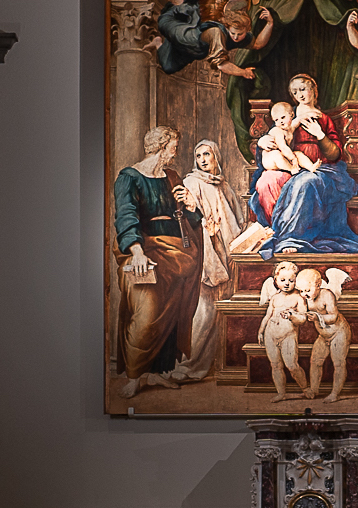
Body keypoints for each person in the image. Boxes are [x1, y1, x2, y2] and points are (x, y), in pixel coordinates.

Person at [111, 126, 196, 397]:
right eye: (173, 145)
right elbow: (126, 215)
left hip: (176, 254)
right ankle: (135, 375)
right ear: (161, 146)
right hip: (145, 251)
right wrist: (136, 251)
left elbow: (186, 218)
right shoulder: (129, 177)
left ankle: (157, 373)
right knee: (146, 315)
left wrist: (190, 206)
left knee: (171, 314)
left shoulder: (172, 176)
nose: (176, 151)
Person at [257, 74, 358, 254]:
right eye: (295, 91)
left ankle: (291, 237)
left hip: (320, 168)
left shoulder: (323, 119)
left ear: (314, 91)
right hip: (291, 163)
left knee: (306, 182)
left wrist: (320, 135)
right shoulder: (286, 115)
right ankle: (275, 232)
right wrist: (262, 141)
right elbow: (276, 136)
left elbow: (335, 154)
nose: (299, 94)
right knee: (266, 182)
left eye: (303, 89)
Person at [168, 139, 246, 382]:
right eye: (198, 155)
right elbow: (187, 221)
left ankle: (209, 366)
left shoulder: (224, 186)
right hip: (207, 255)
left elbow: (238, 220)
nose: (202, 159)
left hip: (228, 253)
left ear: (216, 157)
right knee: (205, 312)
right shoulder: (192, 183)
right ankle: (188, 367)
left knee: (222, 312)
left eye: (207, 154)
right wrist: (205, 224)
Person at [259, 260, 312, 401]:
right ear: (276, 280)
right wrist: (261, 331)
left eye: (291, 280)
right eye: (283, 280)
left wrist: (292, 315)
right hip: (270, 335)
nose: (287, 283)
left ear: (296, 281)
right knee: (275, 365)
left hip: (288, 336)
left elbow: (303, 318)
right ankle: (281, 393)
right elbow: (267, 316)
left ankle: (305, 388)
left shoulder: (299, 298)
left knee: (292, 365)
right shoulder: (274, 298)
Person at [306, 266, 352, 401]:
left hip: (339, 332)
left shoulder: (327, 294)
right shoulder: (306, 295)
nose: (304, 294)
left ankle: (335, 394)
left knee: (338, 363)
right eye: (301, 291)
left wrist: (317, 317)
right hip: (324, 335)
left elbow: (333, 317)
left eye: (307, 290)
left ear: (318, 285)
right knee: (315, 361)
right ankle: (314, 390)